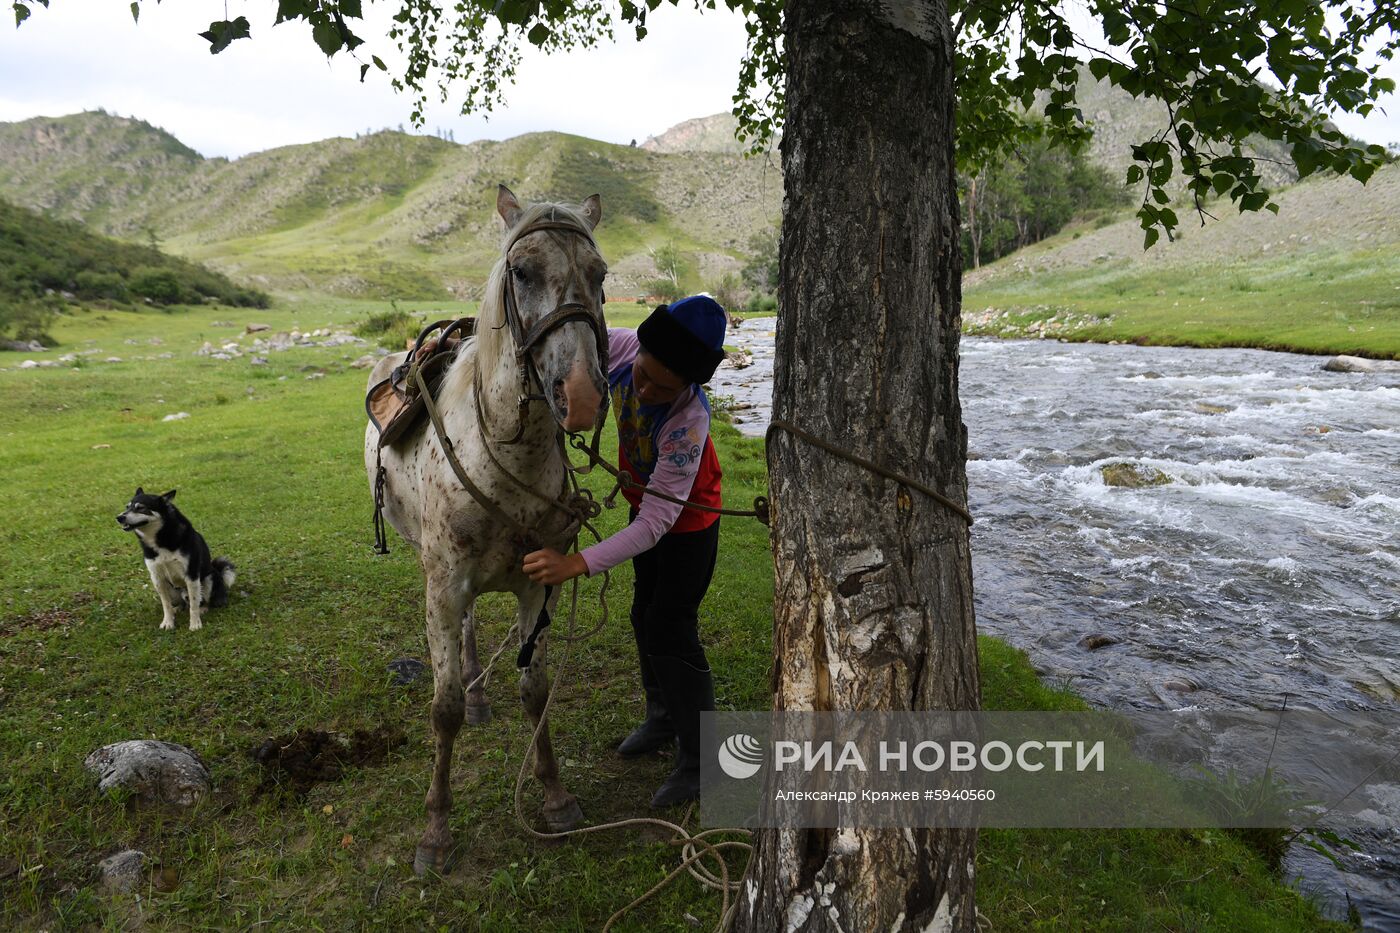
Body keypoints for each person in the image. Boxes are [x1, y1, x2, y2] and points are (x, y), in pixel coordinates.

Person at [523, 295, 727, 807]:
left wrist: (575, 564)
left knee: (672, 627)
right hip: (647, 507)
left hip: (689, 524)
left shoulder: (688, 421)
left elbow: (660, 521)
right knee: (643, 615)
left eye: (663, 387)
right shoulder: (618, 350)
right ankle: (662, 719)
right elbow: (559, 351)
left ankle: (702, 760)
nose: (645, 388)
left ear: (689, 385)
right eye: (643, 374)